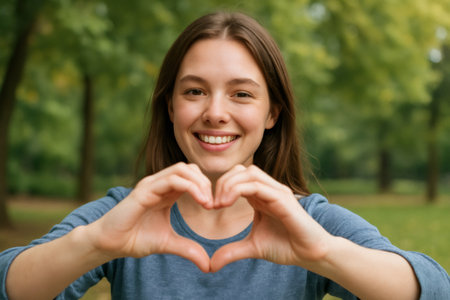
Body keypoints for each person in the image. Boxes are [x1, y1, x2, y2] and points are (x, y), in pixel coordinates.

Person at [1, 11, 449, 300]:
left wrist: (323, 253)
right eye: (194, 91)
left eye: (241, 94)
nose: (215, 113)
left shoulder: (307, 220)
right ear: (171, 107)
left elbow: (434, 288)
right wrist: (96, 243)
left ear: (272, 112)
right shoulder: (124, 214)